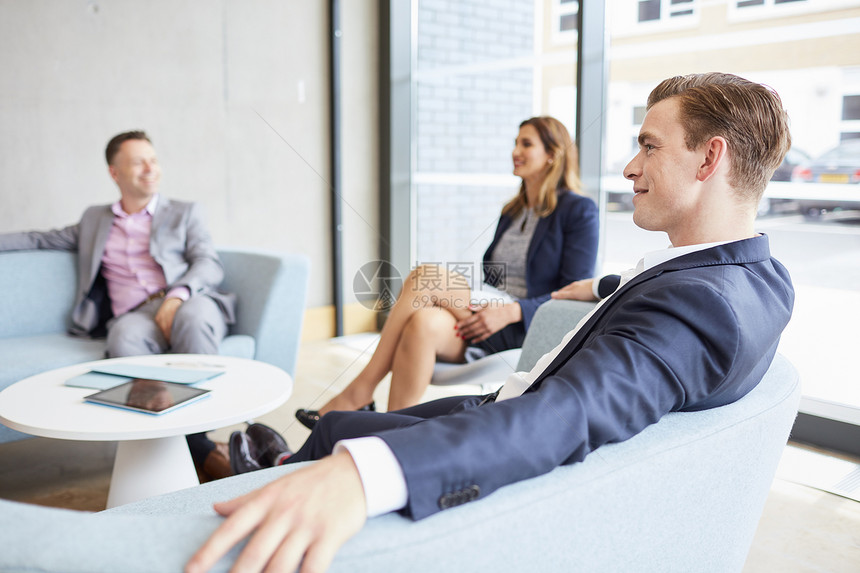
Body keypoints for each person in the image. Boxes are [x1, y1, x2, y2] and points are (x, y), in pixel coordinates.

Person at [186, 72, 794, 573]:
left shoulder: (698, 307)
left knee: (348, 432)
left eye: (650, 145)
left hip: (509, 402)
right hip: (506, 368)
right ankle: (293, 449)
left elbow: (569, 414)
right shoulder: (759, 277)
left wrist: (363, 475)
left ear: (710, 157)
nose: (632, 167)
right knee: (349, 412)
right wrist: (607, 285)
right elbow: (658, 307)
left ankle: (257, 470)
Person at [294, 116, 598, 429]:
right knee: (423, 322)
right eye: (515, 142)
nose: (515, 150)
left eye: (526, 143)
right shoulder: (513, 211)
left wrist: (513, 310)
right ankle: (389, 432)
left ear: (553, 154)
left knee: (426, 277)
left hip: (524, 325)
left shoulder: (578, 210)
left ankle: (359, 391)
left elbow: (573, 292)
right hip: (486, 313)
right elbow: (493, 275)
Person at [0, 131, 237, 481]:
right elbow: (40, 238)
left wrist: (177, 295)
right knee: (123, 336)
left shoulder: (185, 213)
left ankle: (199, 435)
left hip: (187, 297)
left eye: (153, 160)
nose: (150, 169)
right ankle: (174, 442)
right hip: (136, 315)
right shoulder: (95, 220)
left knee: (195, 317)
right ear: (115, 173)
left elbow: (208, 263)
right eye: (139, 162)